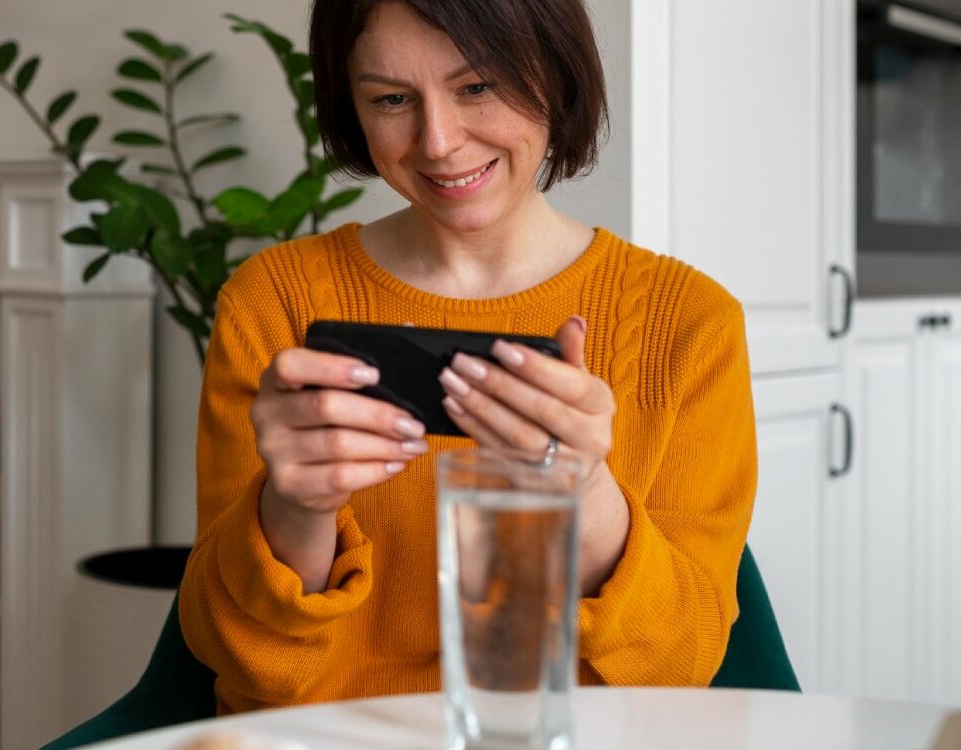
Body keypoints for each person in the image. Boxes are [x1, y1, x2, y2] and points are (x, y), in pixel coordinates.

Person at [177, 0, 758, 715]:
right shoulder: (273, 303)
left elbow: (683, 668)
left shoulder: (687, 323)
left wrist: (585, 495)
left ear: (556, 69)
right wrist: (295, 509)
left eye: (477, 87)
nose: (439, 141)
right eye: (392, 99)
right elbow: (230, 658)